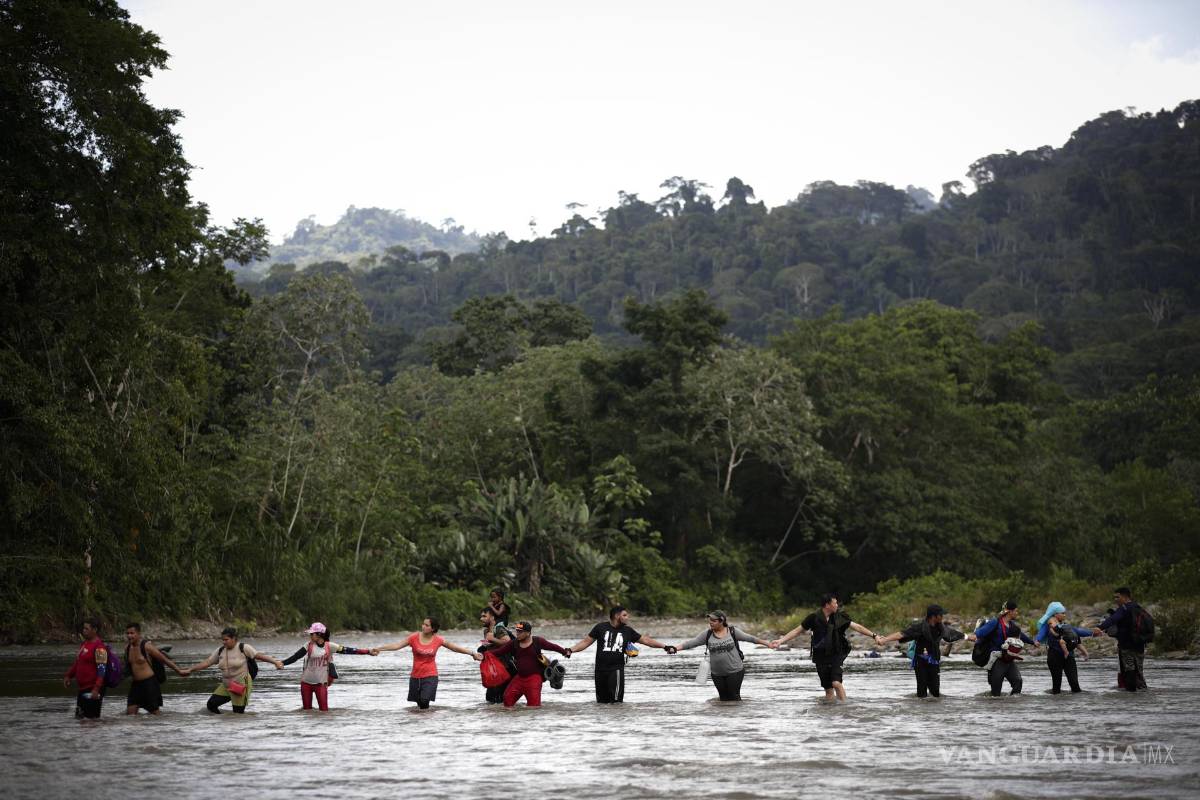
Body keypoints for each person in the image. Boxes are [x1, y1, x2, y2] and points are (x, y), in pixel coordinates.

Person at [770, 593, 881, 701]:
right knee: (828, 690)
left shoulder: (840, 617)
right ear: (827, 605)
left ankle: (845, 709)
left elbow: (857, 627)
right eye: (835, 603)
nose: (837, 605)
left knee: (836, 683)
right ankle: (829, 714)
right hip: (820, 656)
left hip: (837, 654)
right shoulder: (813, 618)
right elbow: (797, 631)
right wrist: (780, 641)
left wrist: (874, 635)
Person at [568, 605, 676, 704]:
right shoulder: (600, 628)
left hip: (616, 671)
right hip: (599, 670)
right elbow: (585, 642)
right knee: (601, 703)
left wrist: (665, 646)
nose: (627, 617)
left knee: (617, 703)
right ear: (616, 616)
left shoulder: (628, 631)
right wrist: (570, 650)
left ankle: (618, 724)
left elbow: (646, 641)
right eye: (624, 615)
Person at [372, 617, 483, 709]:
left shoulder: (438, 640)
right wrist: (379, 648)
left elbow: (454, 647)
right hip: (415, 675)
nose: (423, 626)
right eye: (423, 624)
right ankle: (423, 728)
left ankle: (429, 725)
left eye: (427, 625)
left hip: (430, 675)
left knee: (425, 701)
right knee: (419, 704)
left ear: (433, 628)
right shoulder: (413, 637)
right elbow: (396, 646)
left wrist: (472, 653)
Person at [673, 611, 774, 701]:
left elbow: (751, 638)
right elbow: (691, 643)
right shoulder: (707, 634)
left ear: (721, 621)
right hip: (717, 674)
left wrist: (767, 644)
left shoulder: (733, 631)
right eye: (710, 620)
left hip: (735, 671)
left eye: (714, 620)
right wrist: (675, 648)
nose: (710, 622)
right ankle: (723, 720)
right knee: (723, 700)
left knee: (734, 698)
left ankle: (737, 719)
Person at [181, 627, 284, 713]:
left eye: (226, 640)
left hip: (241, 684)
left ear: (234, 638)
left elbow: (259, 656)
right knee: (211, 705)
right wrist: (190, 669)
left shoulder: (244, 648)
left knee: (238, 714)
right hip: (226, 685)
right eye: (223, 640)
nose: (224, 642)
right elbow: (207, 662)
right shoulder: (220, 650)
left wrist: (275, 662)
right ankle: (221, 722)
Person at [877, 605, 971, 698]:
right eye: (941, 615)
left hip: (934, 661)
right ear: (933, 616)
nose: (943, 617)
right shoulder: (920, 628)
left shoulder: (941, 628)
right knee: (922, 692)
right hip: (920, 662)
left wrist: (969, 637)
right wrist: (885, 640)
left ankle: (932, 710)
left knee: (935, 692)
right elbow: (901, 634)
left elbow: (953, 633)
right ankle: (921, 709)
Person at [279, 622, 374, 710]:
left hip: (321, 684)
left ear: (319, 635)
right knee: (307, 711)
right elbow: (296, 656)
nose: (310, 636)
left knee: (324, 712)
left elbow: (349, 650)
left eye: (312, 634)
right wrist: (282, 663)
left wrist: (367, 651)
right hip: (306, 683)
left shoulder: (330, 646)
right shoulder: (308, 645)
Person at [486, 620, 572, 707]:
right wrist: (483, 655)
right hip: (519, 678)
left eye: (520, 632)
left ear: (528, 633)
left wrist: (565, 652)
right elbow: (499, 652)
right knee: (507, 700)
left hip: (534, 679)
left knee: (534, 707)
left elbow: (553, 647)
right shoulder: (514, 643)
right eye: (517, 631)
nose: (517, 634)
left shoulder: (538, 641)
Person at [974, 601, 1038, 696]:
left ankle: (1011, 705)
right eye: (1016, 611)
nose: (1017, 613)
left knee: (1018, 682)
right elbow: (979, 633)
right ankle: (996, 709)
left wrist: (1032, 642)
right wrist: (972, 635)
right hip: (996, 659)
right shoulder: (995, 622)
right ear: (1009, 612)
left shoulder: (1012, 625)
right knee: (996, 692)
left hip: (1008, 658)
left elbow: (1021, 635)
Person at [1093, 587, 1149, 692]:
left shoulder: (1124, 608)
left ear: (1124, 597)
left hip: (1126, 646)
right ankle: (1142, 692)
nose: (1115, 599)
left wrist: (1099, 627)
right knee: (1139, 670)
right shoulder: (1138, 607)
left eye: (1117, 597)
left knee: (1129, 669)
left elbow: (1112, 619)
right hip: (1140, 644)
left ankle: (1131, 694)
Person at [123, 622, 185, 715]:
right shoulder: (127, 648)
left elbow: (164, 659)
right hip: (135, 685)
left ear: (138, 634)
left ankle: (162, 728)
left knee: (155, 714)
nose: (129, 636)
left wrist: (178, 670)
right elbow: (127, 667)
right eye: (127, 633)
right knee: (130, 714)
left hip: (149, 684)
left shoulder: (146, 646)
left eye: (132, 633)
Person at [1035, 602, 1092, 694]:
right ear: (1055, 614)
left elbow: (1078, 631)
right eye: (1062, 613)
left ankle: (1076, 706)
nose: (1065, 615)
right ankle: (1057, 706)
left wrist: (1092, 633)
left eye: (1065, 613)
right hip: (1054, 657)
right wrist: (1037, 640)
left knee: (1075, 685)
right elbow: (1041, 634)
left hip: (1069, 656)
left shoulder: (1066, 625)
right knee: (1057, 687)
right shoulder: (1048, 625)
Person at [64, 619, 110, 719]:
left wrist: (96, 688)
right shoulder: (84, 644)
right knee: (80, 720)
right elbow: (78, 663)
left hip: (93, 689)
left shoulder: (100, 647)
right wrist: (69, 675)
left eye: (86, 628)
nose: (83, 630)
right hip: (82, 689)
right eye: (83, 628)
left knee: (91, 722)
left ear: (95, 630)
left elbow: (102, 669)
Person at [477, 607, 514, 704]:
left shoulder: (499, 628)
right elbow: (490, 645)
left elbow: (508, 642)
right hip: (494, 669)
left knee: (498, 699)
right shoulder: (486, 630)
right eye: (481, 616)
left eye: (484, 616)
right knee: (490, 698)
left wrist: (493, 639)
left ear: (493, 617)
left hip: (505, 669)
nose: (481, 619)